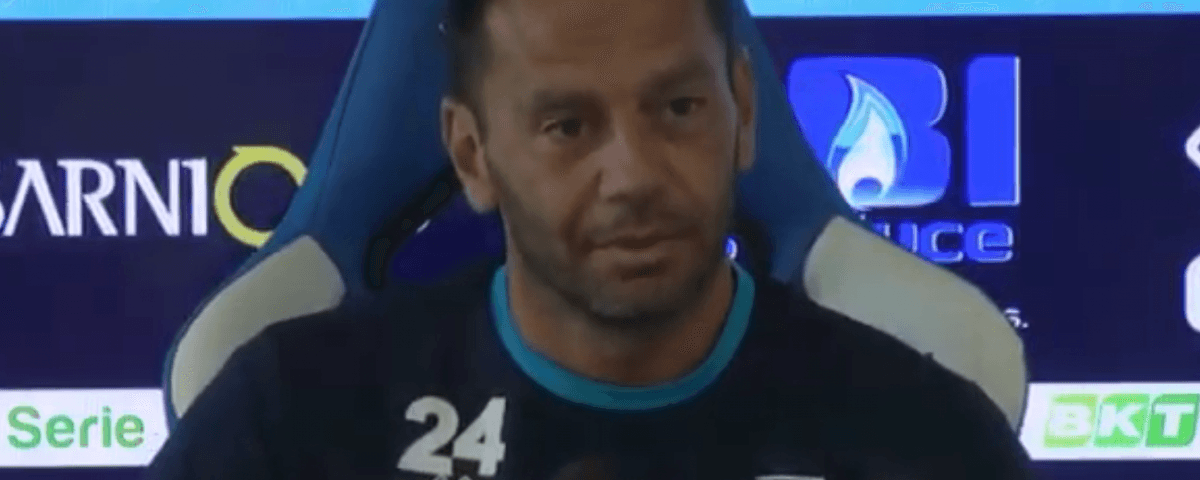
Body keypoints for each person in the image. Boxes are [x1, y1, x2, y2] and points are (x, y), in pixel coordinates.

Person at [145, 0, 1033, 478]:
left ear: (743, 111)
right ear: (473, 154)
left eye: (678, 108)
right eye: (568, 125)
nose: (633, 173)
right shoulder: (289, 417)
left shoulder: (925, 438)